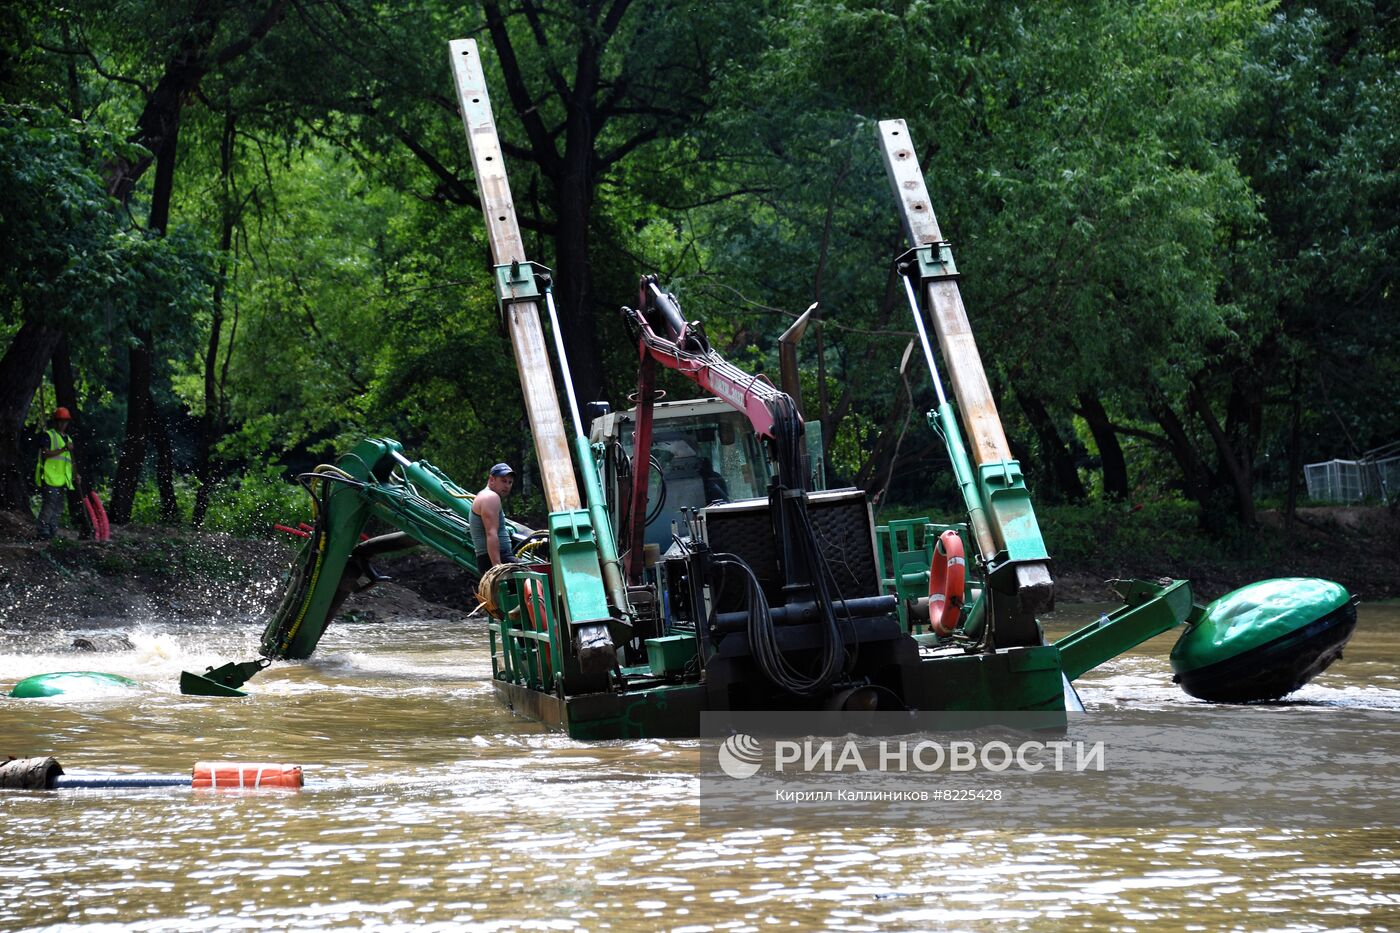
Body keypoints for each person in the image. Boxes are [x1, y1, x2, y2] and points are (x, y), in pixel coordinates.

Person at [35, 407, 76, 540]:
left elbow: (71, 460)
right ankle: (42, 531)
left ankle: (52, 531)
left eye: (65, 421)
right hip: (50, 477)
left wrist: (76, 474)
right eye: (60, 421)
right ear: (55, 421)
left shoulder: (68, 439)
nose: (62, 424)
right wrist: (64, 448)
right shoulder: (48, 435)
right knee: (49, 504)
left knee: (58, 507)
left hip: (62, 479)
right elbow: (46, 453)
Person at [470, 462, 516, 574]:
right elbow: (491, 533)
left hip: (493, 558)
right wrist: (498, 568)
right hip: (497, 558)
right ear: (491, 480)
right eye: (503, 481)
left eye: (510, 482)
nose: (507, 486)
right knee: (541, 574)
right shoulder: (490, 497)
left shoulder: (485, 496)